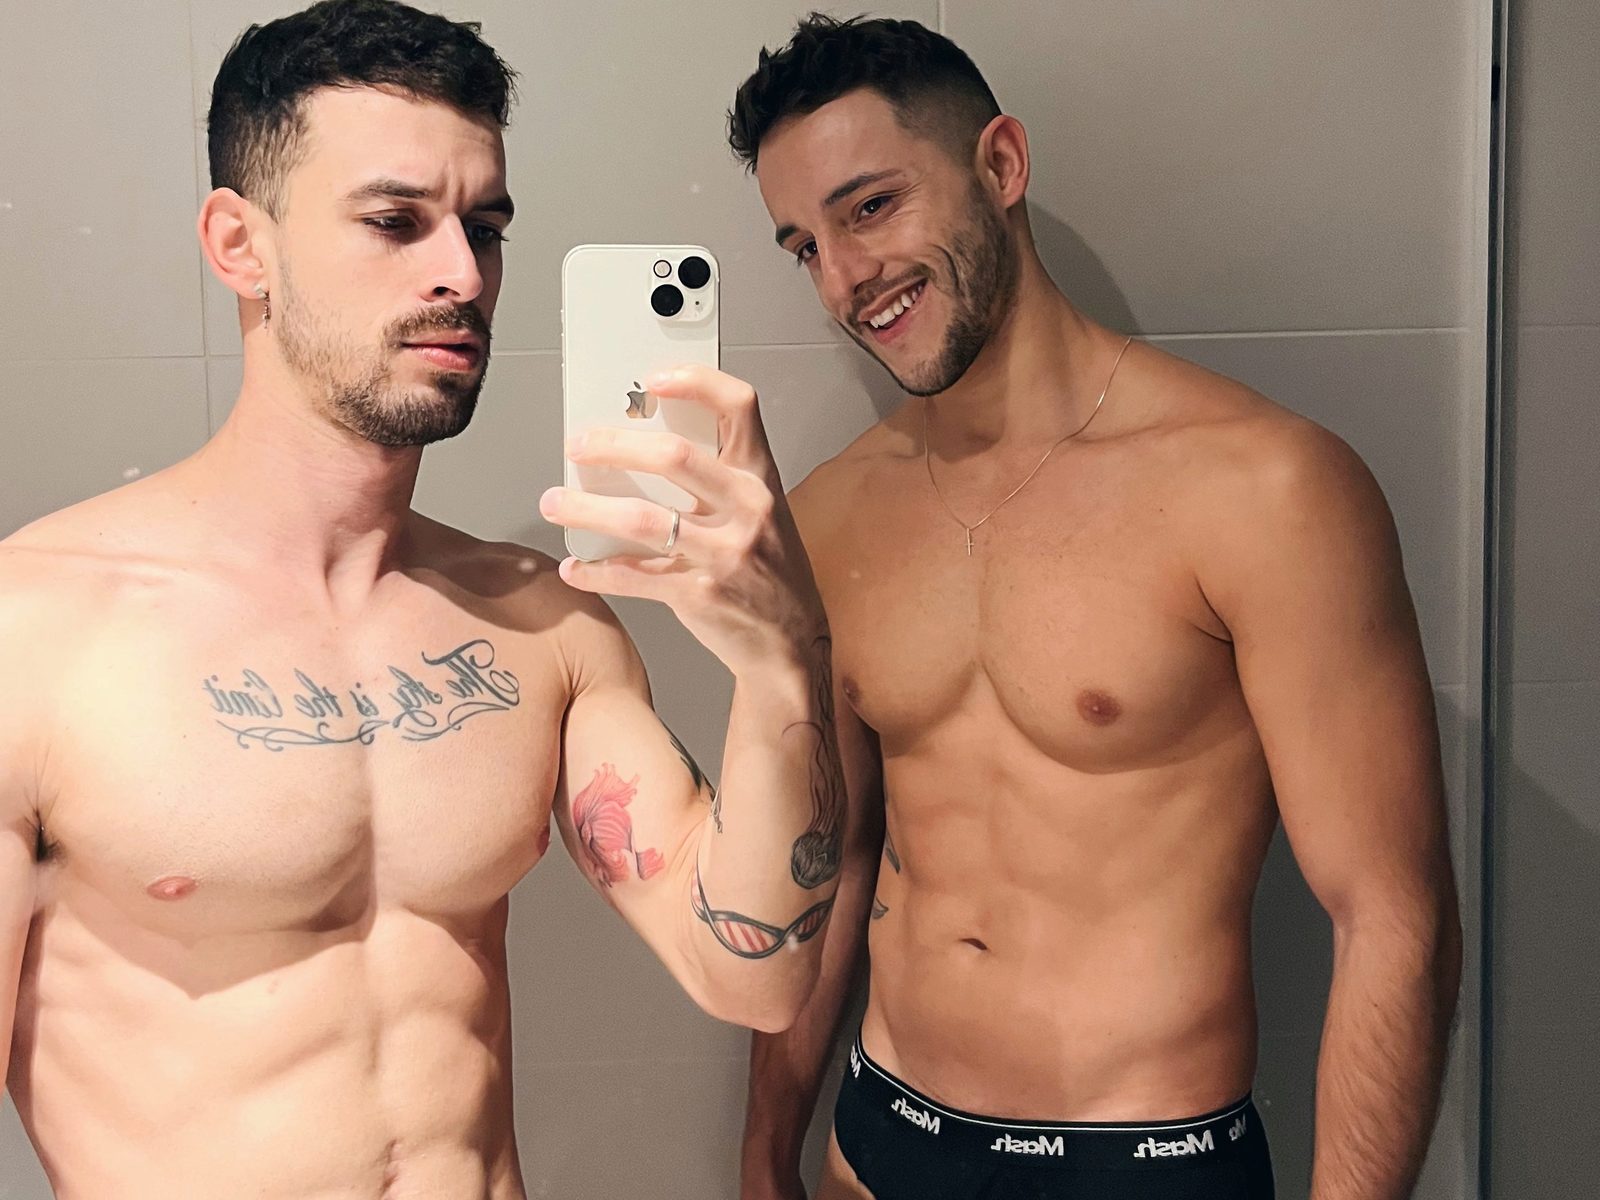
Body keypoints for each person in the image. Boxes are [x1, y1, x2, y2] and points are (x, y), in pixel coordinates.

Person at [0, 2, 842, 1194]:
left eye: (483, 228)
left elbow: (750, 974)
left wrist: (782, 655)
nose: (462, 275)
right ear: (240, 245)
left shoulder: (541, 624)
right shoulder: (34, 633)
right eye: (394, 222)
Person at [729, 16, 1462, 1200]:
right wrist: (764, 1159)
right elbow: (832, 860)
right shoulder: (826, 516)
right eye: (803, 245)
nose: (843, 276)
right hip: (878, 1138)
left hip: (1141, 1158)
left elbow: (1390, 915)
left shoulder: (1262, 489)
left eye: (871, 207)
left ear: (1001, 164)